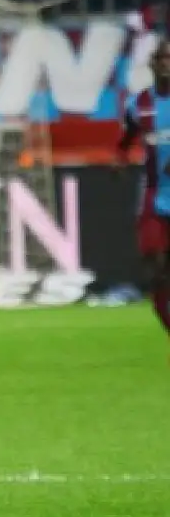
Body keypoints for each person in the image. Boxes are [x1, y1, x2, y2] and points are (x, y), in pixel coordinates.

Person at [117, 39, 170, 341]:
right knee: (156, 272)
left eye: (169, 58)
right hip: (153, 196)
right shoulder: (139, 104)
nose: (165, 64)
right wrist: (120, 160)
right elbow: (126, 138)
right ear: (152, 63)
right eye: (161, 58)